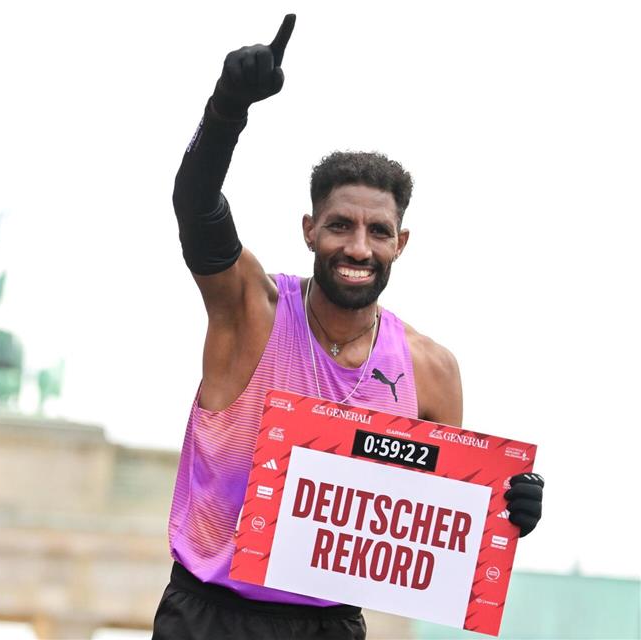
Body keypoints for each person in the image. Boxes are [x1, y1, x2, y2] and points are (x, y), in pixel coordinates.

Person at [153, 14, 544, 640]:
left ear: (401, 242)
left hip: (328, 625)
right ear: (309, 229)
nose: (357, 248)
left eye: (377, 232)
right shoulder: (252, 310)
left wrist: (507, 509)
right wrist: (227, 109)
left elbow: (433, 530)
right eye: (340, 226)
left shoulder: (430, 371)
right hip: (208, 614)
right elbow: (195, 206)